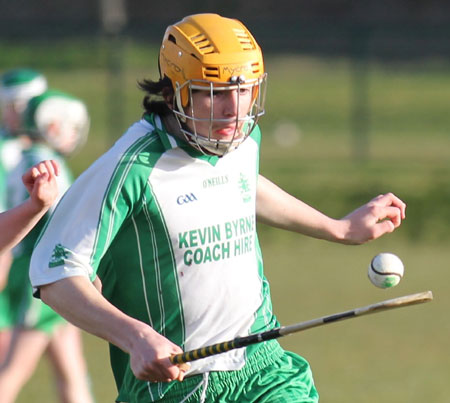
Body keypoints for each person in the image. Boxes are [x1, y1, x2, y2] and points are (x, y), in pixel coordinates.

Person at [29, 13, 406, 403]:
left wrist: (338, 228)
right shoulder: (130, 169)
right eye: (215, 92)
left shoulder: (239, 140)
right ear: (176, 92)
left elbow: (241, 187)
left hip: (263, 366)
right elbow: (53, 273)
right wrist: (135, 337)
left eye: (245, 91)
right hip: (176, 384)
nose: (235, 110)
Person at [0, 90, 94, 403]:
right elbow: (64, 222)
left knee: (71, 369)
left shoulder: (25, 156)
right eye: (66, 125)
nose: (72, 133)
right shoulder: (47, 165)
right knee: (12, 372)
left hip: (42, 272)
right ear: (49, 126)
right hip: (40, 275)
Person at [0, 68, 48, 361]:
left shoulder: (40, 146)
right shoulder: (6, 150)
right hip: (17, 262)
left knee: (70, 367)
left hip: (45, 263)